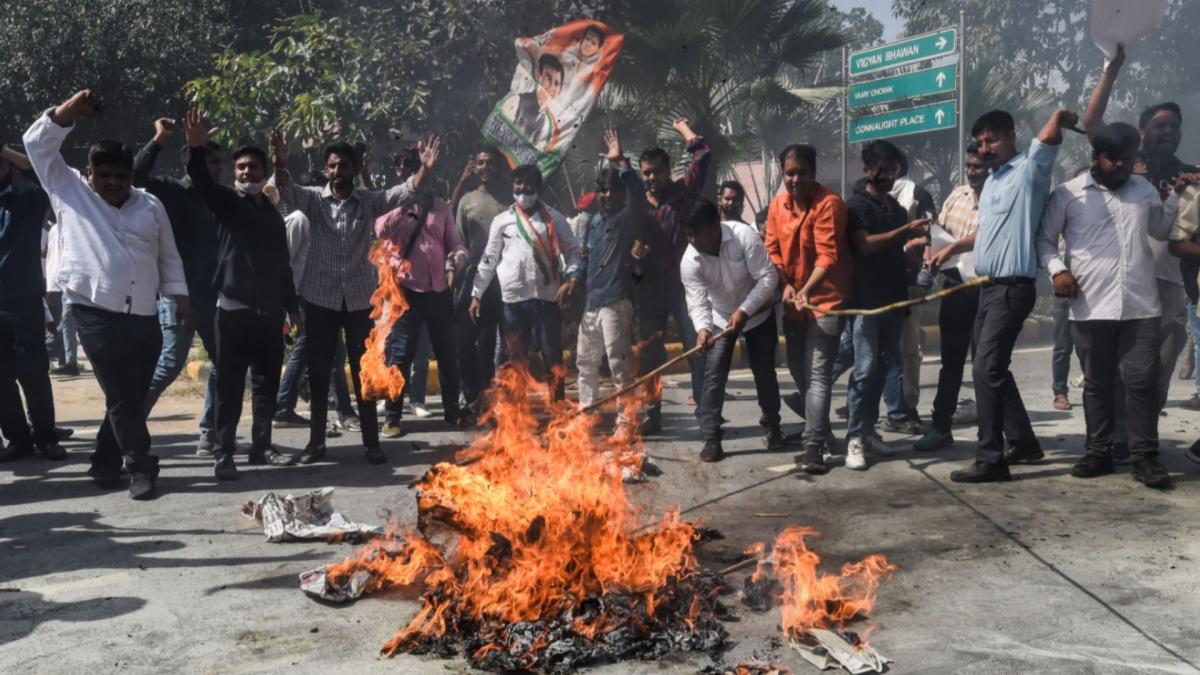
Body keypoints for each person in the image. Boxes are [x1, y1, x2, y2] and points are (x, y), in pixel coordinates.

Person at [24, 90, 191, 499]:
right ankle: (141, 467)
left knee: (129, 396)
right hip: (95, 314)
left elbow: (168, 256)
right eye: (105, 176)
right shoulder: (69, 192)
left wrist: (181, 299)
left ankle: (103, 460)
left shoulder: (150, 205)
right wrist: (66, 113)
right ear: (90, 173)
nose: (114, 183)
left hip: (146, 316)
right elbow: (36, 144)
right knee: (121, 394)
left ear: (131, 175)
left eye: (121, 176)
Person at [1037, 121, 1189, 489]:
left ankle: (1145, 458)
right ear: (1096, 157)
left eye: (1127, 158)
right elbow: (1044, 239)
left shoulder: (1144, 192)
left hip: (1141, 307)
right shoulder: (1068, 195)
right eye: (1112, 158)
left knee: (1141, 384)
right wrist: (1058, 272)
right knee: (1098, 385)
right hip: (1090, 308)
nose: (1120, 165)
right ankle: (1098, 452)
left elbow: (1159, 229)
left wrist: (1175, 198)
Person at [272, 130, 436, 465]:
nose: (337, 172)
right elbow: (285, 188)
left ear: (354, 168)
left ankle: (371, 443)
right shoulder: (314, 200)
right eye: (332, 166)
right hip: (320, 299)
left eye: (344, 166)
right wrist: (279, 161)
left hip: (360, 302)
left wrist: (425, 168)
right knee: (318, 373)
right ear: (326, 169)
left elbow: (406, 191)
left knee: (366, 372)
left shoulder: (370, 202)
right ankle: (316, 444)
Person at [949, 107, 1076, 484]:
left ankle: (991, 458)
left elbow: (1048, 140)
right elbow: (991, 233)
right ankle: (1023, 443)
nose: (986, 147)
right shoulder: (992, 181)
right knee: (992, 369)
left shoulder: (1029, 171)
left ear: (1010, 136)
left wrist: (1057, 115)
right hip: (988, 289)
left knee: (985, 369)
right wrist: (951, 249)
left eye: (993, 139)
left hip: (1013, 288)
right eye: (981, 142)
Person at [1082, 44, 1197, 452]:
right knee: (1114, 371)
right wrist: (1110, 71)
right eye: (1160, 125)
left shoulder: (1193, 177)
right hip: (1119, 282)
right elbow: (1092, 123)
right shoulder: (1127, 163)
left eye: (1174, 125)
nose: (1168, 132)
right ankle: (1116, 439)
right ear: (1143, 130)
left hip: (1168, 287)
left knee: (1155, 371)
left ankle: (1138, 438)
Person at [182, 111, 297, 478]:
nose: (246, 173)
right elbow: (202, 183)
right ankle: (223, 453)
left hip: (268, 316)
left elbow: (283, 265)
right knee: (229, 389)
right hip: (231, 314)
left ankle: (261, 448)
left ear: (264, 172)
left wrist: (292, 309)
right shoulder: (228, 205)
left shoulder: (274, 215)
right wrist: (196, 149)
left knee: (266, 388)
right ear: (234, 173)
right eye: (241, 168)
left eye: (253, 167)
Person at [130, 117, 221, 455]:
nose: (218, 168)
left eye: (217, 162)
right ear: (192, 159)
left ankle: (208, 433)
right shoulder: (171, 190)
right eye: (210, 161)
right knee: (169, 363)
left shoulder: (219, 198)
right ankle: (126, 427)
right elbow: (136, 177)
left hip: (213, 295)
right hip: (178, 294)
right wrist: (158, 140)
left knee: (223, 364)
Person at [843, 140, 929, 471]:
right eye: (883, 169)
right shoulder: (856, 206)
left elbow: (896, 253)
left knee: (884, 367)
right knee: (864, 370)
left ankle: (868, 431)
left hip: (894, 299)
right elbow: (864, 246)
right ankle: (853, 437)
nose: (889, 175)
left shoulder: (894, 207)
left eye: (894, 169)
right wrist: (905, 230)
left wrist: (918, 263)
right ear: (867, 170)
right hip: (866, 304)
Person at [765, 144, 851, 474]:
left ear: (813, 173)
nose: (795, 179)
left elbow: (828, 257)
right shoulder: (777, 205)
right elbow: (770, 250)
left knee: (817, 376)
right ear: (782, 174)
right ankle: (824, 431)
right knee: (799, 373)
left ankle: (812, 445)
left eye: (801, 172)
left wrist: (804, 291)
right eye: (789, 173)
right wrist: (785, 286)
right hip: (793, 306)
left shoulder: (830, 204)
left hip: (825, 301)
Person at [680, 198, 780, 462]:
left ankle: (773, 427)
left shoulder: (743, 235)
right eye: (687, 235)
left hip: (757, 313)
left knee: (764, 373)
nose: (691, 241)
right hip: (719, 316)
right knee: (713, 376)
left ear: (715, 227)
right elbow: (697, 300)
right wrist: (702, 329)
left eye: (695, 234)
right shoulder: (690, 260)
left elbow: (768, 277)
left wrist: (745, 310)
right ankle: (712, 437)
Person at [470, 164, 580, 401]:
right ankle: (515, 416)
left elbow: (573, 250)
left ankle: (558, 409)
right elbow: (489, 258)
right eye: (518, 183)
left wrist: (571, 277)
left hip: (547, 299)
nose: (522, 188)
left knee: (552, 357)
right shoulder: (502, 220)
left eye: (528, 184)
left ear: (538, 187)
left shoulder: (554, 218)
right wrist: (476, 293)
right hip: (513, 302)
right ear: (512, 186)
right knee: (515, 359)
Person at [632, 118, 712, 433]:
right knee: (650, 353)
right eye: (647, 173)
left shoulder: (682, 194)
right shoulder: (636, 202)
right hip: (649, 290)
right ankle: (652, 414)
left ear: (668, 172)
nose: (652, 178)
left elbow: (702, 156)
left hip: (683, 287)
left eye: (657, 171)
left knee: (696, 348)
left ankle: (706, 413)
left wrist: (685, 131)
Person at [375, 176, 468, 442]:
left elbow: (456, 244)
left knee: (448, 354)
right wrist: (404, 205)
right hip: (407, 293)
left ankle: (452, 411)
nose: (426, 186)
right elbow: (380, 230)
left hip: (439, 291)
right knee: (401, 355)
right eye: (421, 180)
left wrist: (457, 260)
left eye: (429, 180)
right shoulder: (396, 207)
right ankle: (392, 418)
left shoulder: (441, 208)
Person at [914, 144, 987, 451]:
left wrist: (953, 247)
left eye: (978, 167)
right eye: (969, 165)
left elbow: (990, 235)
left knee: (987, 364)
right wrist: (927, 260)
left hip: (987, 286)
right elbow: (939, 231)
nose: (972, 172)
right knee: (952, 361)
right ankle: (941, 426)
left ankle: (993, 430)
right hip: (955, 285)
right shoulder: (957, 195)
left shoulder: (1001, 197)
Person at [576, 130, 650, 418]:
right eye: (602, 191)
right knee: (585, 363)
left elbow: (639, 200)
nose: (607, 196)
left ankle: (626, 419)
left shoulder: (625, 218)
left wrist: (623, 164)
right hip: (592, 304)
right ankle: (587, 415)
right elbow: (587, 259)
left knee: (619, 365)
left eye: (612, 191)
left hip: (616, 302)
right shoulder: (595, 222)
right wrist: (573, 281)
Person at [0, 143, 65, 462]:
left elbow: (39, 171)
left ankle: (46, 436)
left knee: (34, 374)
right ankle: (18, 439)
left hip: (23, 302)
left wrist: (4, 149)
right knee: (1, 380)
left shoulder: (29, 202)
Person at [451, 146, 508, 415]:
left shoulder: (509, 199)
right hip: (472, 277)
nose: (486, 167)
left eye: (491, 163)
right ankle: (470, 394)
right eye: (481, 162)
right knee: (464, 340)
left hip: (502, 279)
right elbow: (457, 238)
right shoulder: (468, 200)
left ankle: (487, 398)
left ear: (499, 166)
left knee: (488, 342)